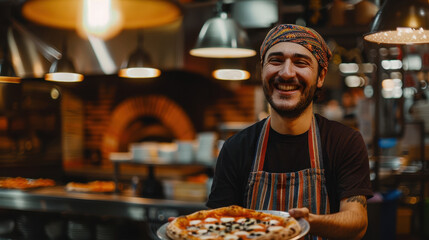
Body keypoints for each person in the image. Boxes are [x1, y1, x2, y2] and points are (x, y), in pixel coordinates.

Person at [206, 24, 373, 240]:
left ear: (321, 76)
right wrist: (193, 230)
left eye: (300, 63)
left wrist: (309, 223)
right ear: (262, 69)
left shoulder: (344, 142)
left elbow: (357, 222)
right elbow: (220, 223)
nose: (286, 73)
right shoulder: (235, 148)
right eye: (275, 60)